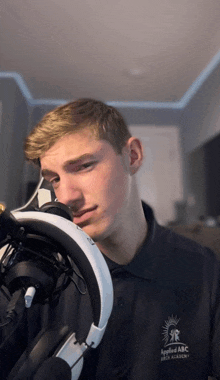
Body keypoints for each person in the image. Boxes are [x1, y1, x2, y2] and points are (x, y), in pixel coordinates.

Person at [2, 98, 220, 379]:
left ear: (132, 156)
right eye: (54, 178)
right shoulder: (34, 278)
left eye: (83, 166)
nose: (66, 196)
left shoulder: (204, 269)